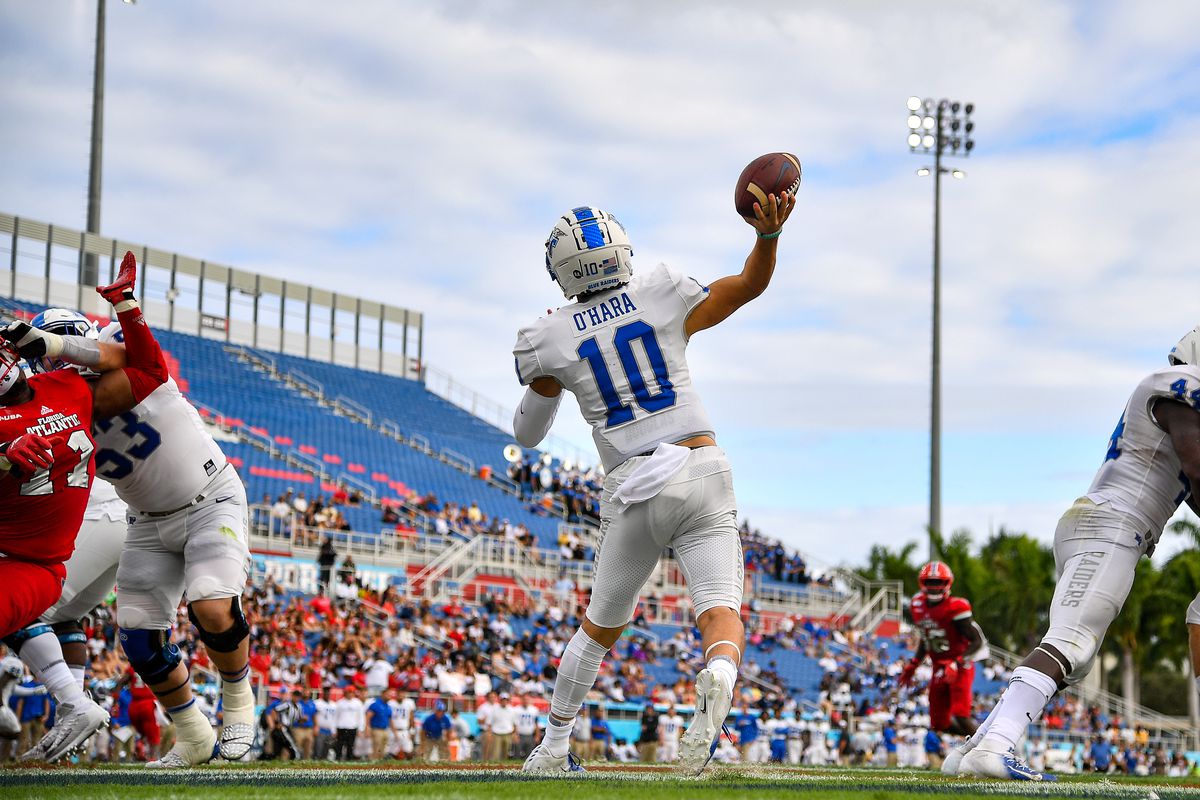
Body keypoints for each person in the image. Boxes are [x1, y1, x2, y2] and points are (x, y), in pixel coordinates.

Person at [516, 195, 796, 776]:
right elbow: (747, 284)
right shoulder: (661, 290)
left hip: (633, 482)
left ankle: (553, 748)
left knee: (600, 625)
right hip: (702, 464)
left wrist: (551, 381)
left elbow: (530, 433)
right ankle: (718, 673)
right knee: (720, 611)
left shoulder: (549, 334)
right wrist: (767, 236)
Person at [3, 257, 252, 769]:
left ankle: (239, 709)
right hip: (143, 518)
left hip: (210, 497)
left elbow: (127, 354)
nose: (62, 372)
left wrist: (116, 311)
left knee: (210, 604)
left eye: (68, 357)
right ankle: (194, 735)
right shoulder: (67, 400)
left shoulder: (128, 373)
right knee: (138, 636)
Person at [958, 323, 1200, 781]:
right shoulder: (1178, 387)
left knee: (1074, 651)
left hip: (1104, 521)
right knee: (1072, 642)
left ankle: (975, 746)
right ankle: (996, 746)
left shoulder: (1169, 393)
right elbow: (1196, 464)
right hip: (1112, 525)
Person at [898, 561, 986, 740]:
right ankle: (984, 739)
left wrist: (957, 661)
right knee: (938, 723)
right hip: (938, 666)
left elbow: (977, 642)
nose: (934, 587)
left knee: (961, 714)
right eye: (930, 582)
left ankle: (987, 749)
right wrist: (914, 664)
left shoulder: (957, 607)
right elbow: (926, 637)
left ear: (948, 583)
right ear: (923, 583)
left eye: (938, 582)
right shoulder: (917, 605)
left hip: (959, 665)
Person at [334, 686, 365, 761]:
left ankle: (349, 760)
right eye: (348, 692)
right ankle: (338, 759)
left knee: (350, 745)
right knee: (339, 745)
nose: (350, 694)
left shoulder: (358, 703)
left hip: (352, 727)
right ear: (345, 693)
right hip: (341, 727)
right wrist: (334, 729)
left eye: (351, 692)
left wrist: (360, 729)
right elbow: (335, 717)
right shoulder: (340, 703)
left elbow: (361, 717)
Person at [366, 689, 393, 760]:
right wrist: (367, 728)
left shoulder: (388, 706)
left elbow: (390, 719)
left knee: (383, 748)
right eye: (387, 695)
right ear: (382, 694)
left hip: (385, 729)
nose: (389, 697)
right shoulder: (375, 704)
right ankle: (374, 761)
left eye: (390, 695)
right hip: (376, 729)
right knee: (376, 747)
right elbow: (368, 717)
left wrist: (393, 730)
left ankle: (380, 762)